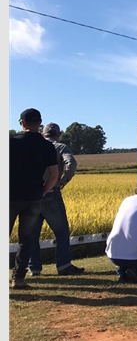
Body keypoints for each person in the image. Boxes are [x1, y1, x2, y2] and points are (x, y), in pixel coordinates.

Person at [10, 109, 59, 289]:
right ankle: (19, 278)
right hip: (33, 197)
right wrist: (43, 192)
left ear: (22, 123)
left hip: (9, 197)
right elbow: (54, 175)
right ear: (39, 123)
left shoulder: (10, 141)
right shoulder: (47, 146)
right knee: (26, 238)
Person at [27, 123, 85, 276]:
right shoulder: (61, 147)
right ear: (58, 134)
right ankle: (63, 265)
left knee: (33, 234)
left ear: (43, 134)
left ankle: (34, 268)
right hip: (52, 193)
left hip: (33, 195)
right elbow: (71, 163)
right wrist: (63, 180)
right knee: (61, 231)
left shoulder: (34, 147)